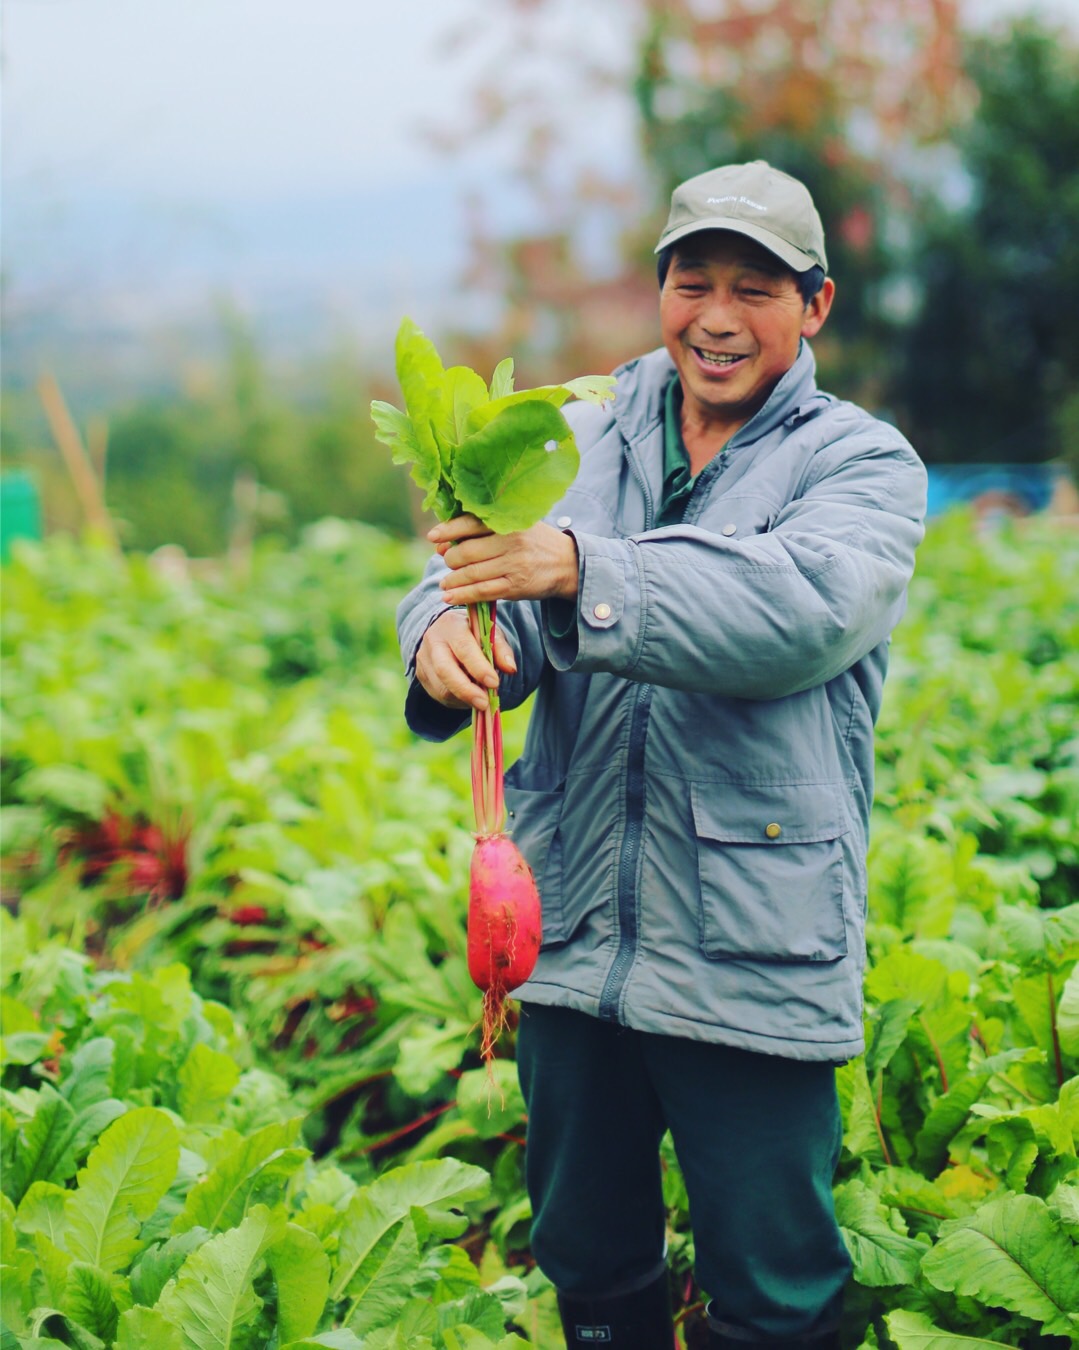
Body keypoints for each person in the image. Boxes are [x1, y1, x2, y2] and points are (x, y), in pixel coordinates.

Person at [397, 161, 927, 1350]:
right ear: (660, 292)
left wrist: (581, 568)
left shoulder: (861, 465)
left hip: (755, 933)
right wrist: (439, 631)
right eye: (694, 283)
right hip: (574, 924)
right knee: (586, 1255)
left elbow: (796, 611)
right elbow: (472, 587)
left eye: (756, 288)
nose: (718, 317)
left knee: (773, 1284)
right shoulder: (572, 436)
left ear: (815, 306)